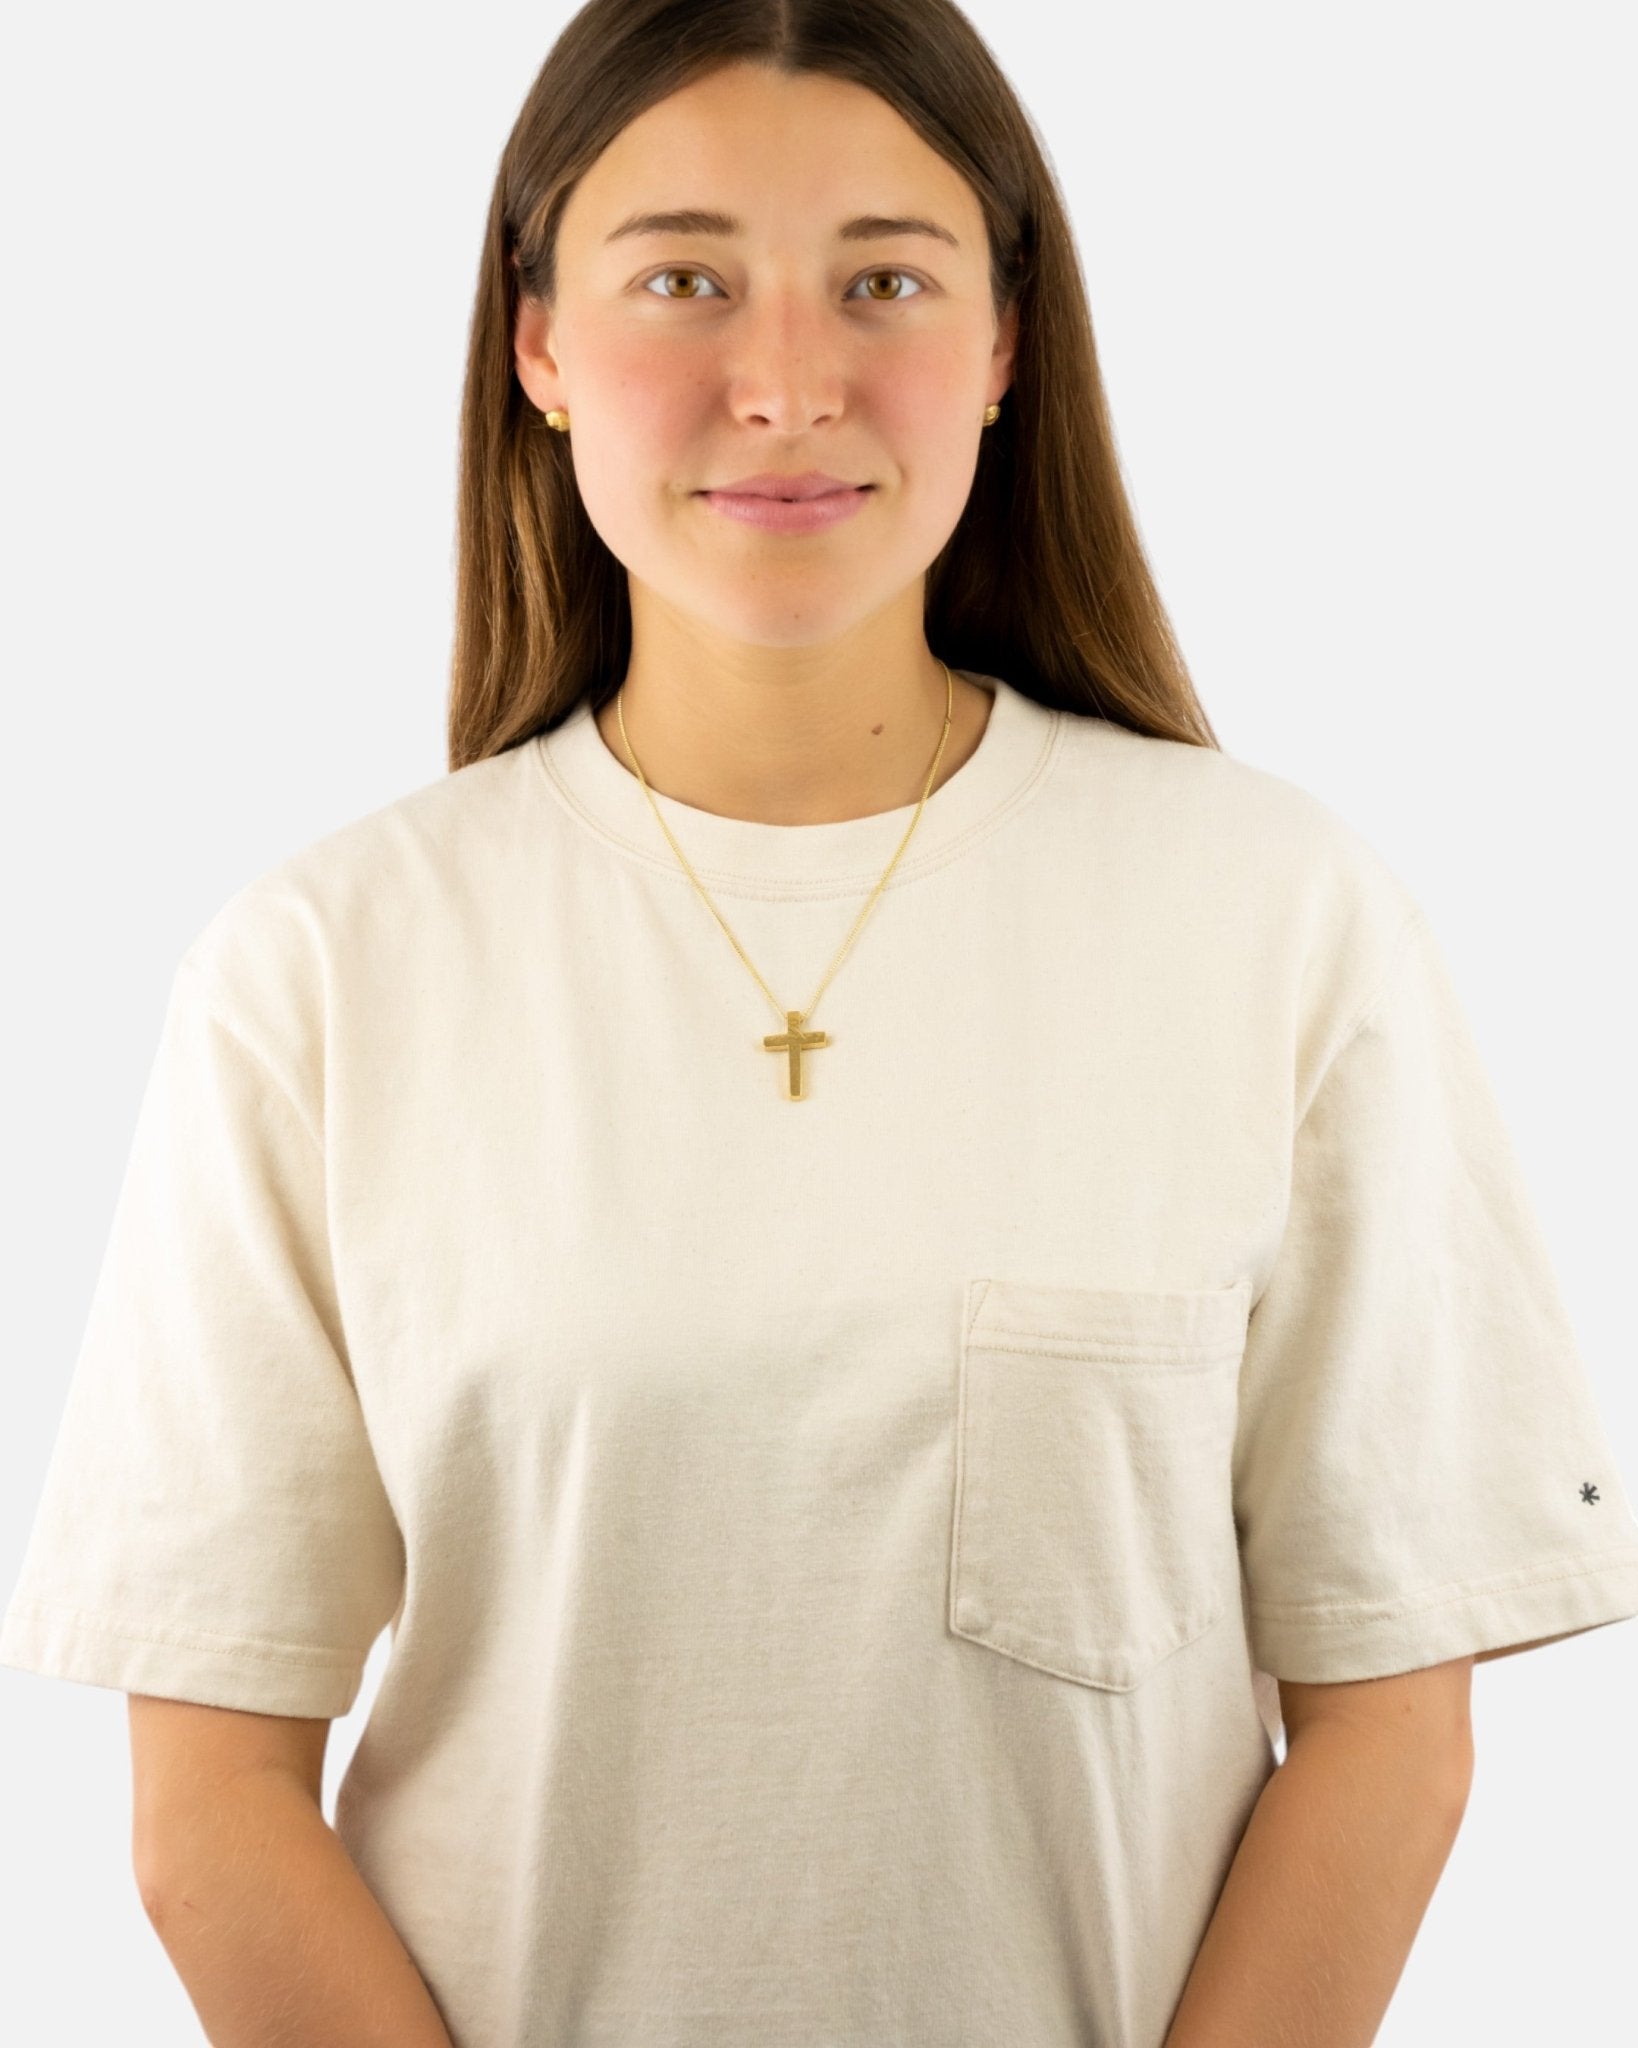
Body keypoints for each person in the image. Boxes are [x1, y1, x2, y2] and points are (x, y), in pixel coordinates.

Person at [3, 2, 1636, 2043]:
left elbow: (1392, 1723)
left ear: (1007, 342)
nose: (785, 383)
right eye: (684, 280)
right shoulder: (319, 973)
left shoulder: (1279, 917)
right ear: (535, 344)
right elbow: (212, 1799)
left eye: (883, 282)